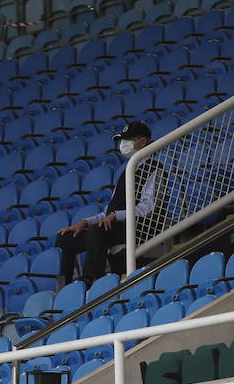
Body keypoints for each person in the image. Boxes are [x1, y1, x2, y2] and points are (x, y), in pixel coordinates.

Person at [55, 121, 168, 286]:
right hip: (116, 227)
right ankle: (67, 288)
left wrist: (116, 216)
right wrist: (85, 221)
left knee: (98, 230)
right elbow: (109, 210)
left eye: (129, 139)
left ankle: (93, 282)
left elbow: (148, 208)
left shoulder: (155, 168)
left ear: (143, 141)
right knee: (66, 237)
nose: (124, 144)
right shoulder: (127, 171)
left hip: (141, 227)